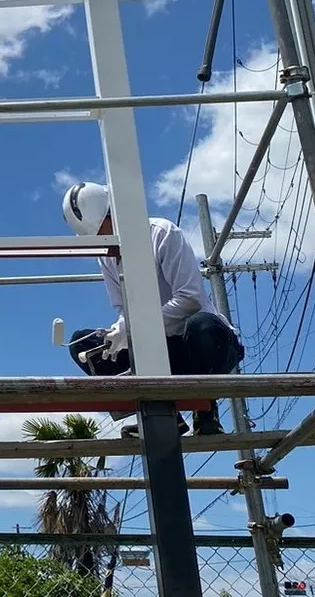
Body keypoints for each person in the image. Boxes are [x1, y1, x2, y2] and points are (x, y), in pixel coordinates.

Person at [61, 181, 243, 437]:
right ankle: (162, 413)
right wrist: (120, 331)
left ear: (115, 214)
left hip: (199, 345)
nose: (102, 240)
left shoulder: (161, 233)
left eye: (102, 230)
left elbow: (189, 299)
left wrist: (138, 328)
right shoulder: (105, 255)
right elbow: (124, 310)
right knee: (83, 343)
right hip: (155, 351)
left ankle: (204, 410)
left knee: (203, 326)